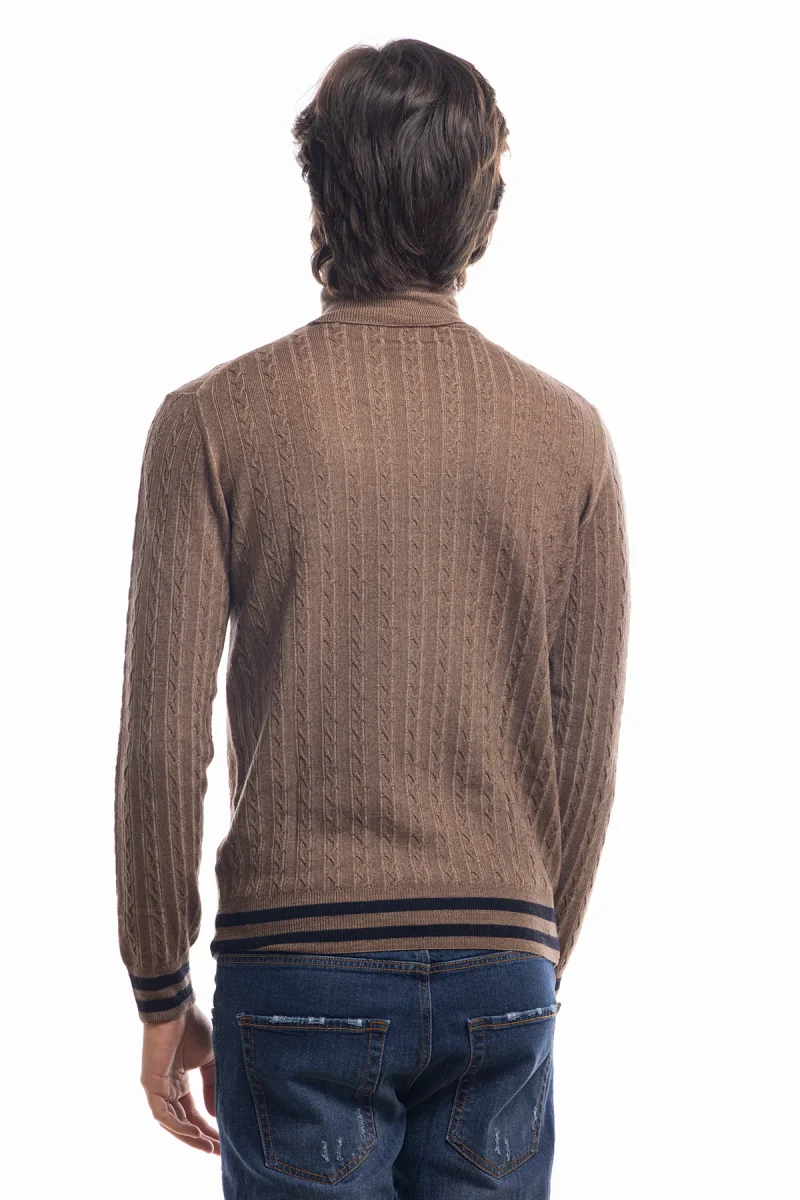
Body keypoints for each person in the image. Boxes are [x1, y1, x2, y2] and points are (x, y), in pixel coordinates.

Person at [114, 36, 631, 1200]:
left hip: (296, 968)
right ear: (480, 209)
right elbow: (584, 757)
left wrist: (158, 990)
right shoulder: (570, 439)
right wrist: (526, 956)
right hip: (504, 961)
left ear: (318, 191)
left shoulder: (212, 422)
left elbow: (160, 742)